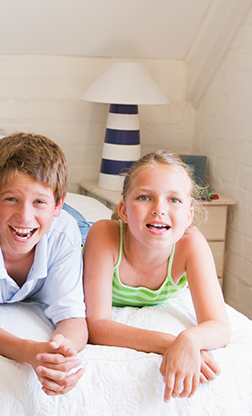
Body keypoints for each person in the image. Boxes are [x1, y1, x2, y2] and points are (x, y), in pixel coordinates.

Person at [83, 151, 230, 402]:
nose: (159, 209)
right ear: (124, 211)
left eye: (174, 200)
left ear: (189, 216)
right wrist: (170, 343)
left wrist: (190, 340)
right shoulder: (104, 235)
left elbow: (220, 327)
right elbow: (97, 327)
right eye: (144, 197)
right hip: (82, 239)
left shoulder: (190, 244)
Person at [0, 132, 88, 396]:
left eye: (39, 201)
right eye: (11, 199)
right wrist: (30, 351)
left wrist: (59, 351)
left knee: (89, 233)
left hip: (71, 225)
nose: (25, 215)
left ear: (58, 204)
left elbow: (73, 318)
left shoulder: (64, 233)